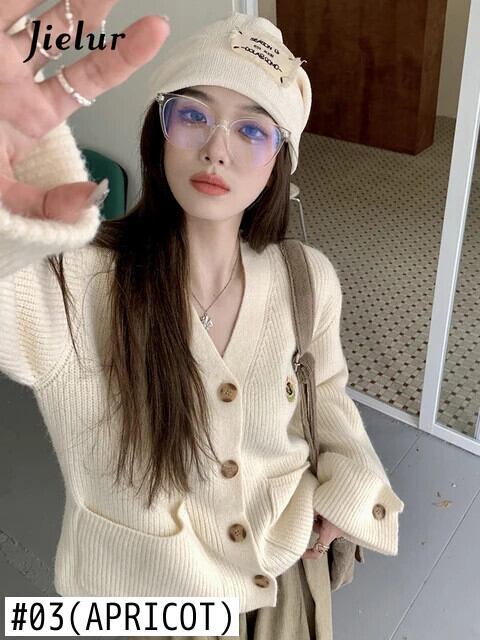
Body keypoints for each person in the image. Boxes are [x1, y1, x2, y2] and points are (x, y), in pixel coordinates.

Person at [0, 3, 405, 639]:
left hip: (283, 586)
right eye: (193, 115)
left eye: (252, 130)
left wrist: (349, 484)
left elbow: (327, 397)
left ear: (279, 159)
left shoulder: (307, 278)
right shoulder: (79, 280)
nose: (217, 149)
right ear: (160, 131)